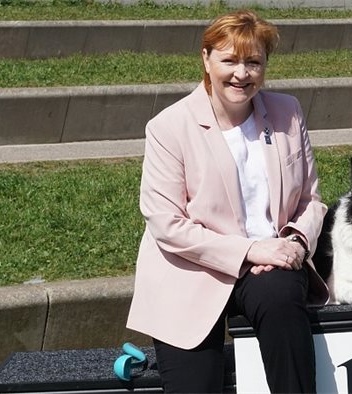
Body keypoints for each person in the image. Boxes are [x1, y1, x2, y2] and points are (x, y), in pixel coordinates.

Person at [126, 9, 329, 393]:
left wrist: (295, 244)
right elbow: (167, 226)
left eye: (254, 62)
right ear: (206, 59)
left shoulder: (289, 112)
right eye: (230, 60)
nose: (242, 73)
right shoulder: (168, 127)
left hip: (269, 268)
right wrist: (253, 249)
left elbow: (311, 201)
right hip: (190, 271)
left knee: (283, 297)